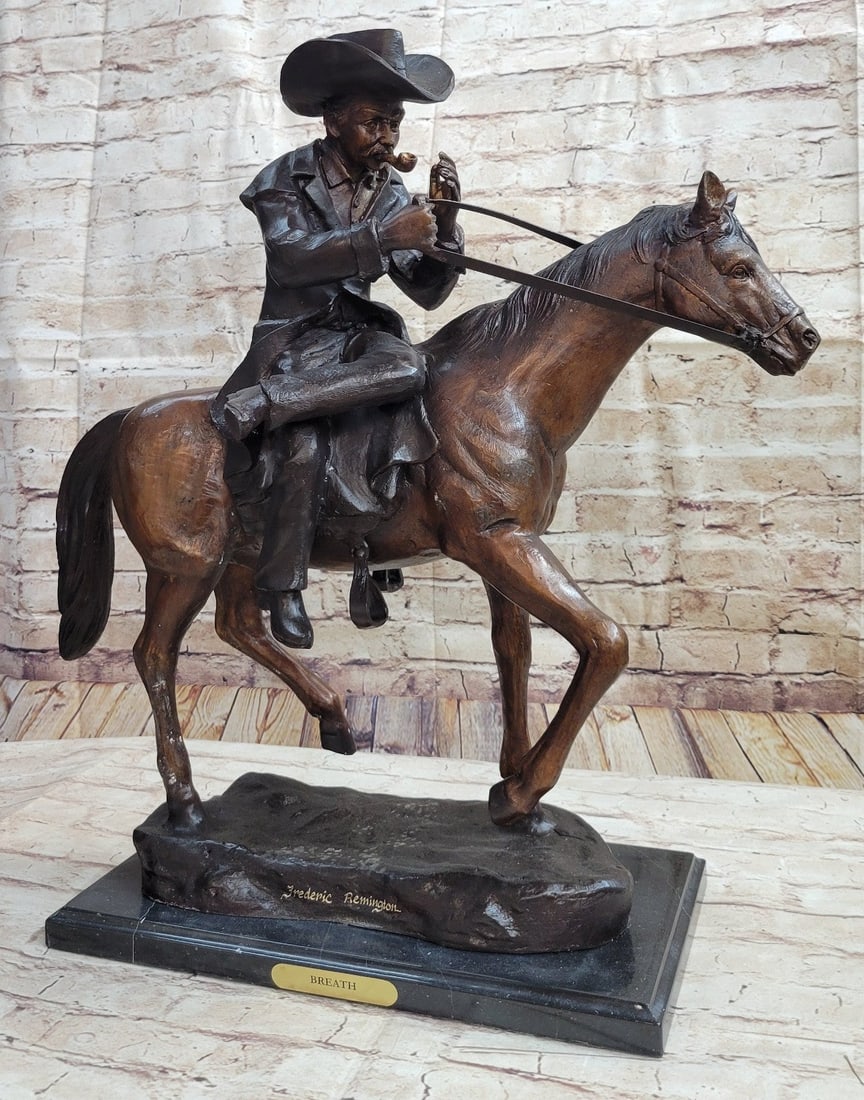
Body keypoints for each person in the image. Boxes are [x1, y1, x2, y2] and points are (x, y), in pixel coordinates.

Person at [210, 28, 464, 649]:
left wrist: (446, 227)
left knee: (410, 370)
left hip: (355, 342)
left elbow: (426, 293)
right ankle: (281, 586)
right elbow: (291, 262)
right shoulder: (283, 179)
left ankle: (265, 407)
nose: (387, 138)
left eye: (395, 125)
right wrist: (384, 239)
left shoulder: (392, 193)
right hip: (295, 340)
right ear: (333, 119)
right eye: (374, 122)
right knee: (300, 448)